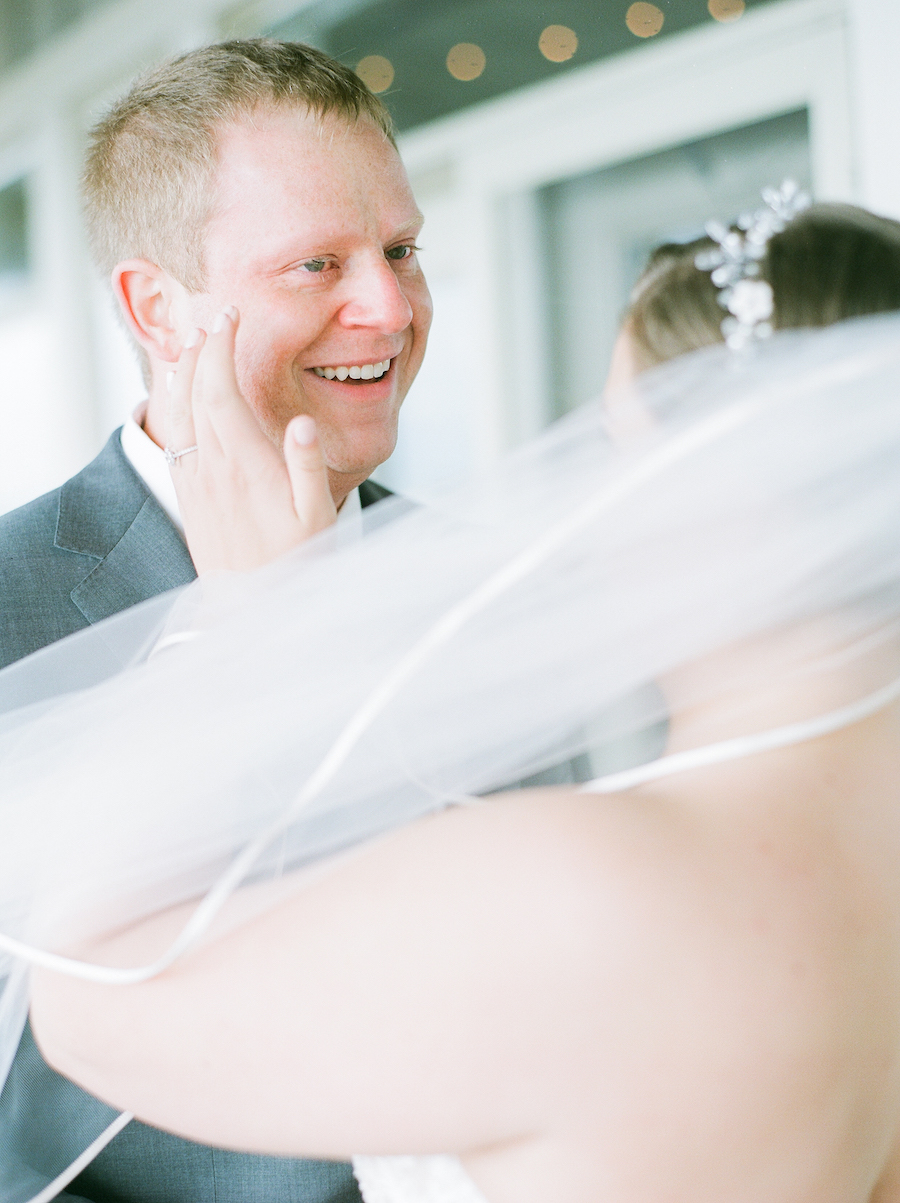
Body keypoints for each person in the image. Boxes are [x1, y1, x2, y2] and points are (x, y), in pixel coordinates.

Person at [3, 194, 900, 1203]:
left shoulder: (595, 887)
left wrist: (240, 629)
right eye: (315, 263)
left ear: (731, 506)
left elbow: (81, 1003)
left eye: (623, 452)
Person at [0, 37, 431, 1203]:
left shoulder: (478, 581)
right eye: (316, 264)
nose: (388, 308)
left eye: (400, 250)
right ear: (158, 308)